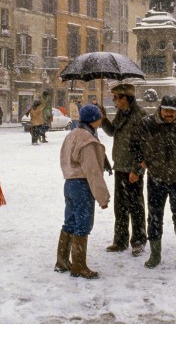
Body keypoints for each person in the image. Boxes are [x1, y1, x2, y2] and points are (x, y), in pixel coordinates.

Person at [139, 95, 176, 271]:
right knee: (154, 217)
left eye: (172, 111)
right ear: (160, 109)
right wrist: (146, 160)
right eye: (166, 110)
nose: (169, 114)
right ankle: (155, 255)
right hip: (156, 178)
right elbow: (138, 143)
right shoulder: (148, 124)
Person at [54, 103, 110, 279]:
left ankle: (62, 261)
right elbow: (92, 171)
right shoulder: (87, 140)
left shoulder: (72, 134)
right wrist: (102, 197)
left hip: (69, 184)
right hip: (82, 185)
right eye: (100, 117)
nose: (101, 120)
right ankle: (78, 265)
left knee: (69, 222)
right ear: (94, 120)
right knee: (83, 224)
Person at [99, 82, 147, 255]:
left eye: (116, 98)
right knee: (120, 207)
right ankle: (120, 241)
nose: (114, 101)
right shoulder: (121, 114)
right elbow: (112, 132)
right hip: (120, 166)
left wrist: (137, 170)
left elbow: (144, 146)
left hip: (133, 169)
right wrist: (104, 119)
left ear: (125, 98)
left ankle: (139, 241)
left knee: (136, 207)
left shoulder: (140, 116)